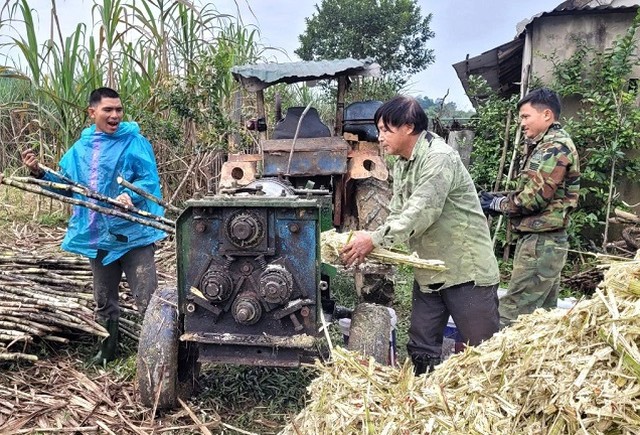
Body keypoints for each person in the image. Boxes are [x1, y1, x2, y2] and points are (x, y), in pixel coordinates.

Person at [341, 95, 500, 375]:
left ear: (408, 127)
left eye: (385, 130)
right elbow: (397, 211)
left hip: (464, 269)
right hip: (429, 269)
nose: (380, 137)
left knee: (483, 351)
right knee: (421, 346)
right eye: (379, 130)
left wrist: (374, 239)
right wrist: (373, 237)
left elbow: (420, 211)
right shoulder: (402, 162)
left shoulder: (439, 158)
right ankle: (424, 401)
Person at [21, 87, 166, 365]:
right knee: (103, 298)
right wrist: (38, 172)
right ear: (92, 112)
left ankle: (156, 353)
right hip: (98, 235)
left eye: (119, 110)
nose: (115, 115)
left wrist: (132, 195)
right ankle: (107, 350)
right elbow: (67, 186)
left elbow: (149, 180)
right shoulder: (81, 148)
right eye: (108, 110)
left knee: (147, 297)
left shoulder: (134, 142)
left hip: (133, 234)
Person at [479, 87, 580, 329]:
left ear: (546, 115)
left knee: (511, 316)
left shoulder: (554, 147)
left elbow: (533, 199)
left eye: (525, 117)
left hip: (541, 243)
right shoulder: (548, 144)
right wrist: (499, 199)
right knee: (541, 321)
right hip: (545, 242)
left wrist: (497, 204)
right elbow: (535, 190)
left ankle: (494, 363)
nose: (521, 123)